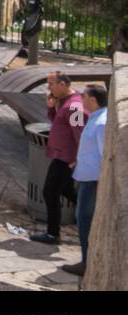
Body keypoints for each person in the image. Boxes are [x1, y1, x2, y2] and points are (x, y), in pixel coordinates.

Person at [30, 72, 84, 245]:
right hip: (62, 154)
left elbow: (80, 133)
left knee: (50, 191)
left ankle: (53, 234)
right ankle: (92, 210)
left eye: (51, 84)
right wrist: (52, 107)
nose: (48, 88)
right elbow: (58, 123)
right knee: (67, 191)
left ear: (62, 85)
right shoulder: (65, 103)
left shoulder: (74, 106)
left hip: (66, 157)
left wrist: (78, 158)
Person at [61, 83, 108, 276]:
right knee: (82, 218)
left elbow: (105, 154)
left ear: (93, 100)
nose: (81, 99)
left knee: (84, 219)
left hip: (92, 181)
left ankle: (87, 262)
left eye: (85, 97)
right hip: (84, 175)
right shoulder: (95, 118)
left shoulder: (101, 122)